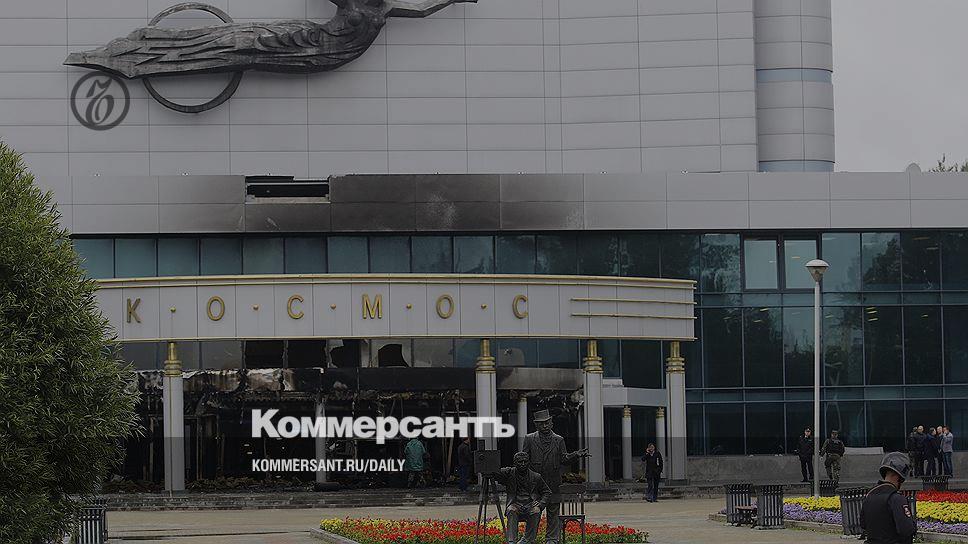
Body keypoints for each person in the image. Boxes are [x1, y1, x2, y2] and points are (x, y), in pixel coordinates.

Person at [521, 409, 588, 544]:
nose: (545, 426)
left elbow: (564, 459)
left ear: (551, 423)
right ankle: (528, 539)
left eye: (547, 423)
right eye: (541, 424)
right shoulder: (529, 439)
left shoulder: (559, 440)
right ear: (536, 425)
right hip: (536, 484)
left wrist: (575, 455)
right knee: (534, 512)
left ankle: (552, 539)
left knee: (553, 512)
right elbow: (524, 460)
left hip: (553, 482)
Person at [490, 452, 551, 544]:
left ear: (528, 462)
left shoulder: (536, 476)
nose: (523, 464)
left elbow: (547, 492)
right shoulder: (509, 473)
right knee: (511, 510)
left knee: (536, 510)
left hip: (530, 505)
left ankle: (527, 540)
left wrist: (541, 503)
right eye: (520, 462)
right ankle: (512, 541)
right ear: (515, 463)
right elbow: (495, 472)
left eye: (525, 461)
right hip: (515, 504)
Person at [860, 452, 917, 544]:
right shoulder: (896, 498)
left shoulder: (869, 496)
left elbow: (863, 524)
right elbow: (906, 529)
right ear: (898, 477)